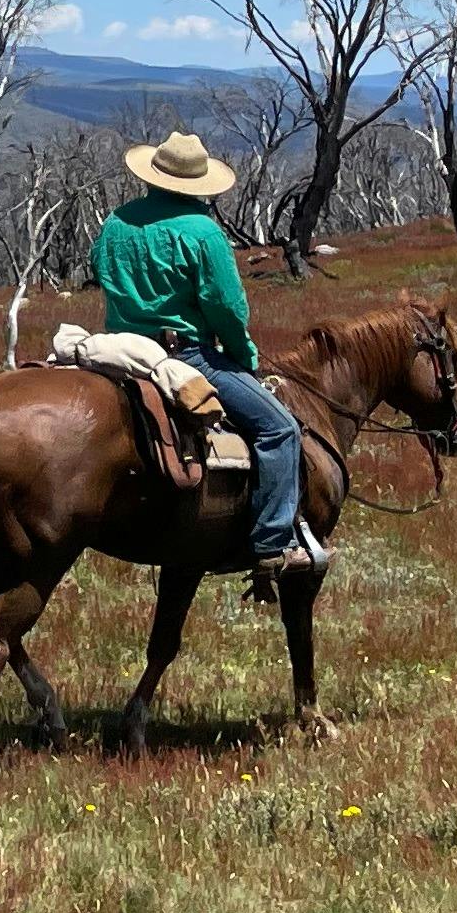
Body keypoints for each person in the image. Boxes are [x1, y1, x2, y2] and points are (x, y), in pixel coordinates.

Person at [90, 128, 321, 585]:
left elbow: (102, 272)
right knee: (280, 429)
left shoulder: (117, 221)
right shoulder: (202, 231)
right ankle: (273, 543)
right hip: (185, 354)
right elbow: (227, 307)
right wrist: (244, 354)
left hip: (119, 350)